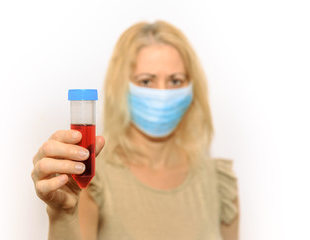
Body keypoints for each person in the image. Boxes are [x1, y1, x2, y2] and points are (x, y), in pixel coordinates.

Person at [31, 20, 239, 240]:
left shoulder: (218, 182)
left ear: (191, 88)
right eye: (147, 81)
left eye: (175, 80)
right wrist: (62, 215)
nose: (162, 93)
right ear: (121, 87)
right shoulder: (88, 177)